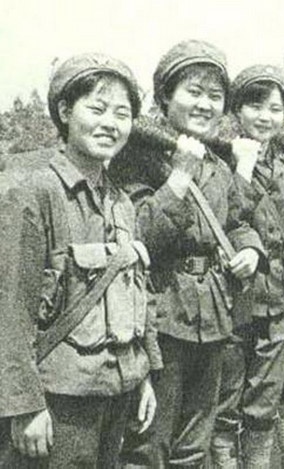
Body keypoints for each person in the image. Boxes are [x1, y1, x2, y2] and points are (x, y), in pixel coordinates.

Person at [0, 53, 157, 468]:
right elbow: (10, 309)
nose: (110, 123)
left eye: (122, 114)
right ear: (66, 112)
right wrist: (24, 406)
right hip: (57, 402)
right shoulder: (35, 193)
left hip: (116, 394)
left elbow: (138, 298)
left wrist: (143, 377)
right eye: (97, 109)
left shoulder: (121, 202)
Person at [120, 40, 266, 469]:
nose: (205, 104)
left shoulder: (216, 164)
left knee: (195, 441)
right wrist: (179, 177)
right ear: (166, 97)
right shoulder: (135, 156)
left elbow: (237, 220)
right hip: (159, 314)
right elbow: (140, 235)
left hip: (214, 316)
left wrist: (250, 250)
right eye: (193, 92)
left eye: (214, 96)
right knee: (148, 441)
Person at [210, 64, 284, 469]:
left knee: (266, 397)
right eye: (255, 106)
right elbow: (224, 217)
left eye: (275, 109)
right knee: (226, 395)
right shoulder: (218, 160)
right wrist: (241, 167)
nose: (265, 116)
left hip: (281, 298)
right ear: (236, 110)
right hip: (233, 296)